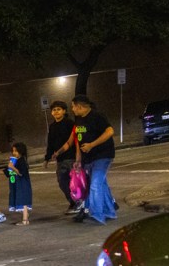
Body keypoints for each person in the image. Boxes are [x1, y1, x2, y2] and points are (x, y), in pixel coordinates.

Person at [69, 95, 117, 224]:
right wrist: (78, 160)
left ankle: (97, 215)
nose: (72, 109)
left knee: (95, 185)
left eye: (73, 106)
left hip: (102, 155)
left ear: (79, 106)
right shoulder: (78, 120)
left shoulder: (97, 116)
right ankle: (110, 212)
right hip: (87, 159)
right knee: (102, 185)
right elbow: (78, 141)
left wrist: (92, 145)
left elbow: (110, 131)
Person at [42, 100, 80, 214]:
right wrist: (47, 158)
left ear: (64, 111)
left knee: (75, 183)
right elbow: (51, 143)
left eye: (59, 109)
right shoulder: (52, 127)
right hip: (60, 160)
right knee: (62, 182)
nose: (56, 111)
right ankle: (73, 202)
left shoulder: (70, 123)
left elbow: (73, 141)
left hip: (71, 157)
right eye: (54, 110)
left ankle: (79, 203)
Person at [5, 142, 33, 225]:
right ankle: (26, 215)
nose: (14, 153)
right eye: (13, 151)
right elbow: (8, 173)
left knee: (23, 201)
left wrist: (12, 167)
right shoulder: (14, 160)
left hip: (22, 184)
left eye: (16, 151)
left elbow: (21, 173)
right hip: (16, 184)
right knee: (18, 199)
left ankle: (25, 220)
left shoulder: (22, 161)